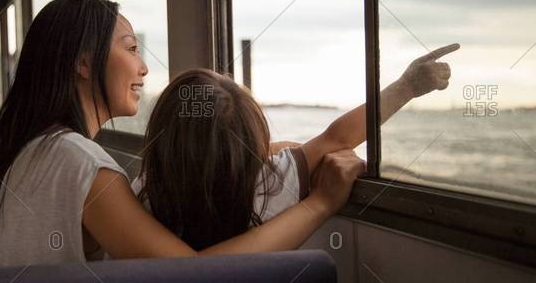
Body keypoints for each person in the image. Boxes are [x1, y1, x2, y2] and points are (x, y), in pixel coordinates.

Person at [0, 0, 365, 268]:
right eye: (130, 48)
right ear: (84, 64)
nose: (142, 68)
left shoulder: (42, 147)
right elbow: (193, 275)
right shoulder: (83, 165)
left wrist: (249, 149)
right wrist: (320, 205)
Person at [133, 43, 458, 250]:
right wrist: (406, 87)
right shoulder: (272, 180)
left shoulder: (143, 194)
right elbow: (338, 138)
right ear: (254, 146)